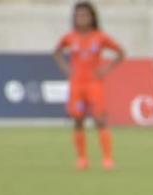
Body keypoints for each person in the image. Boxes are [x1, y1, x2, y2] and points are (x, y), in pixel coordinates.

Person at [53, 2, 124, 170]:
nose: (82, 19)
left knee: (100, 119)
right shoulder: (70, 37)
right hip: (77, 84)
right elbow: (57, 52)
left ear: (92, 18)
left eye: (85, 15)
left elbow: (121, 53)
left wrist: (105, 69)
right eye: (78, 16)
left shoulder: (100, 37)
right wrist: (67, 69)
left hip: (94, 83)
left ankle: (107, 159)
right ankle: (82, 159)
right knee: (78, 120)